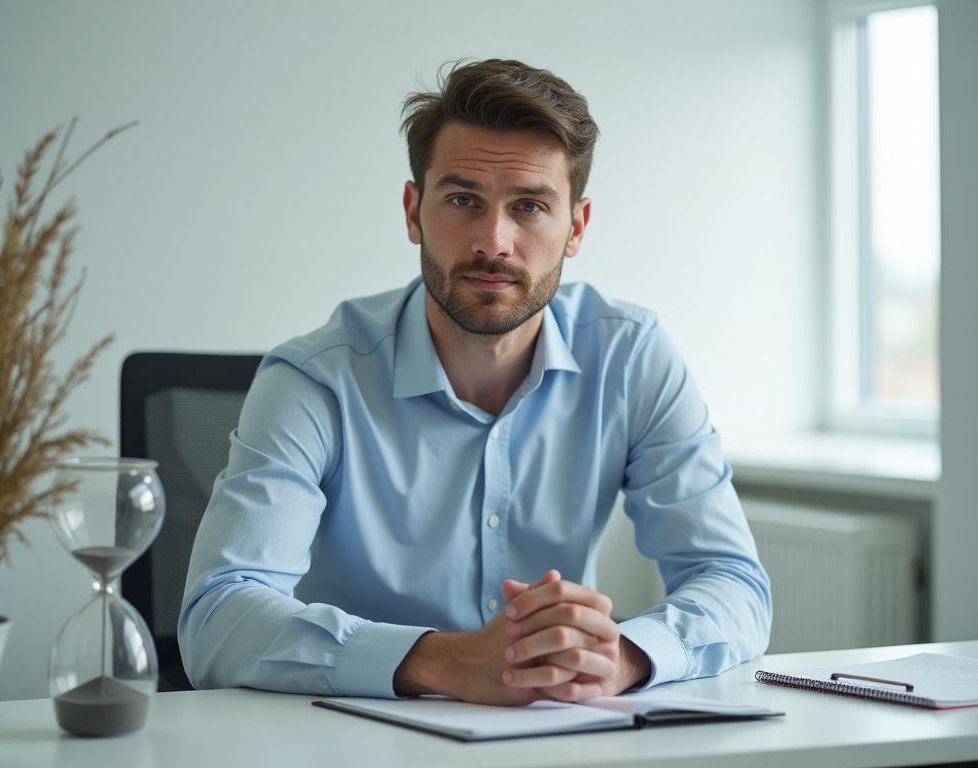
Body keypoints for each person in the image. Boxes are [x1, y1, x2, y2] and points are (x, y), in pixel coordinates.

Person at [179, 58, 771, 705]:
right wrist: (446, 661)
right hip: (355, 735)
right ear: (414, 211)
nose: (494, 240)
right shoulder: (314, 379)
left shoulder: (632, 356)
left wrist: (624, 655)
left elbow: (731, 581)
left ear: (575, 227)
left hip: (554, 735)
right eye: (464, 200)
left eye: (530, 206)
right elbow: (217, 618)